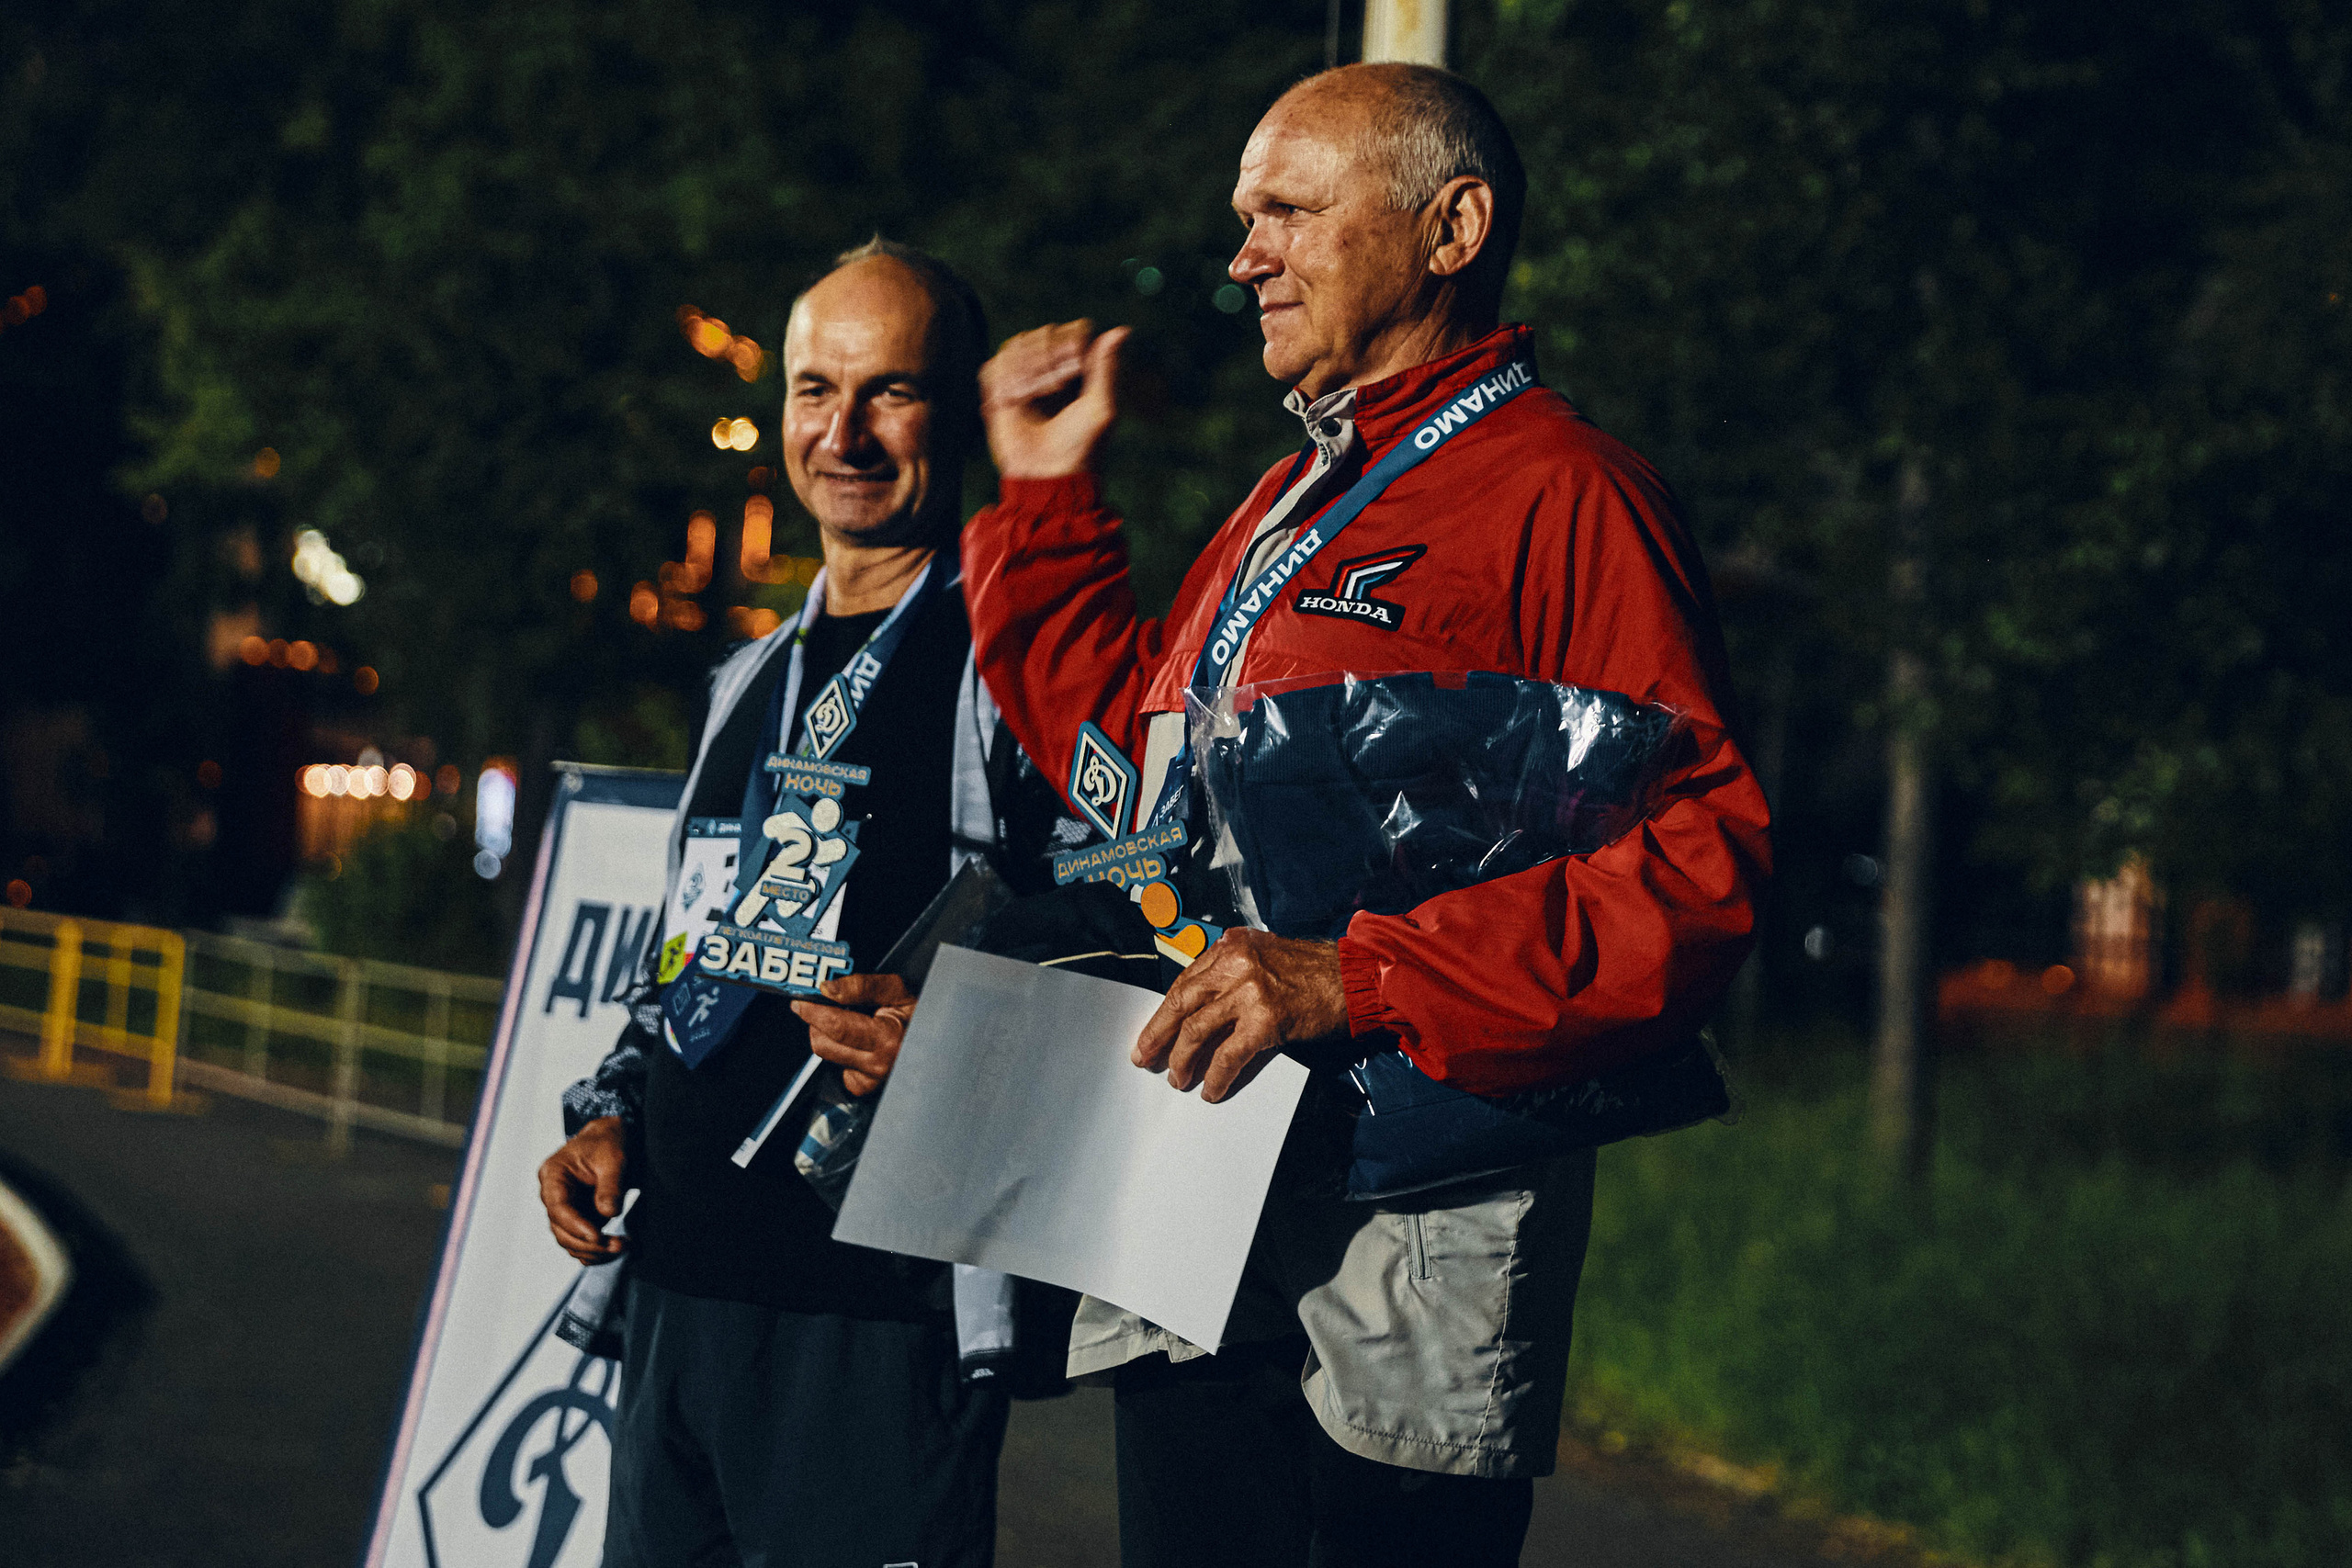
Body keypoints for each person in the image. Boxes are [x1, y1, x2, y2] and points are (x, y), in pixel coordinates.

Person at [967, 63, 1771, 1568]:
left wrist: (1360, 974)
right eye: (1243, 218)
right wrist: (1045, 495)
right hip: (1195, 1195)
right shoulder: (1290, 503)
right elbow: (1124, 777)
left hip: (1409, 1231)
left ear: (1450, 225)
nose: (1244, 255)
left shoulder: (1569, 495)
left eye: (1290, 210)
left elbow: (1698, 869)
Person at [537, 239, 1082, 1568]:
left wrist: (963, 1037)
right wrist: (608, 1114)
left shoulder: (1015, 670)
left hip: (876, 1320)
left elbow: (1135, 937)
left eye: (888, 391)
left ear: (957, 414)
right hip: (678, 1289)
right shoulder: (746, 678)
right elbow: (690, 947)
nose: (842, 432)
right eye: (812, 390)